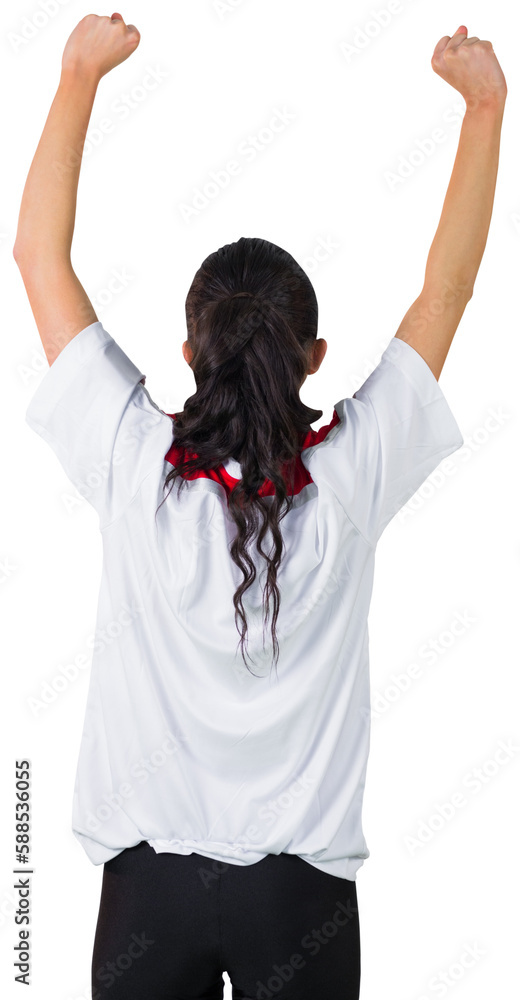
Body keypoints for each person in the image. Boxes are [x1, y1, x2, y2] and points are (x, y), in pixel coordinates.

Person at [13, 13, 507, 1000]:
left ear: (190, 348)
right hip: (299, 898)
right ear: (313, 357)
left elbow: (35, 257)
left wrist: (76, 74)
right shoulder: (353, 474)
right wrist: (487, 107)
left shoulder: (131, 457)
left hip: (146, 891)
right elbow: (445, 291)